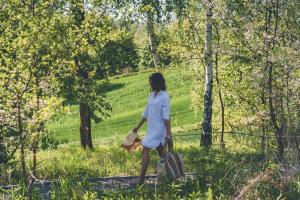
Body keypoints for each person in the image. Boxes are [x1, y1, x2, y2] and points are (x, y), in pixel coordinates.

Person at [132, 72, 172, 184]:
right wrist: (138, 127)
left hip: (159, 130)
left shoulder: (164, 97)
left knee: (144, 149)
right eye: (150, 83)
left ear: (158, 82)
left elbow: (166, 116)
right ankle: (170, 174)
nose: (150, 85)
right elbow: (146, 113)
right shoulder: (151, 95)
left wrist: (168, 133)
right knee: (162, 154)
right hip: (151, 129)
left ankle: (140, 179)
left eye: (152, 82)